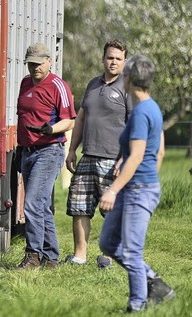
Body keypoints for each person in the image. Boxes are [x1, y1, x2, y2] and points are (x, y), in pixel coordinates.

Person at [99, 54, 175, 312]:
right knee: (108, 243)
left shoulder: (142, 112)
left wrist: (113, 189)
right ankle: (155, 283)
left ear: (128, 80)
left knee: (131, 252)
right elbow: (160, 152)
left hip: (137, 190)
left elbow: (139, 155)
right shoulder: (152, 107)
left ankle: (137, 305)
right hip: (138, 186)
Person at [64, 40, 130, 268]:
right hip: (87, 155)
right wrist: (72, 149)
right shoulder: (92, 85)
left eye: (118, 59)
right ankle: (79, 256)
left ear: (124, 62)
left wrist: (126, 158)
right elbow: (81, 117)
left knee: (111, 210)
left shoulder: (128, 87)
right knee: (79, 207)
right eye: (110, 57)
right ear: (103, 59)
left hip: (113, 159)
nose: (113, 62)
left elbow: (134, 125)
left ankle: (108, 257)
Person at [16, 42, 76, 269]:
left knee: (31, 203)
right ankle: (51, 257)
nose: (35, 68)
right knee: (41, 205)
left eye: (39, 64)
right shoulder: (25, 83)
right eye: (31, 64)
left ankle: (33, 255)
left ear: (49, 61)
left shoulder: (58, 85)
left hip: (49, 151)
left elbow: (70, 120)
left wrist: (50, 129)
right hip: (28, 152)